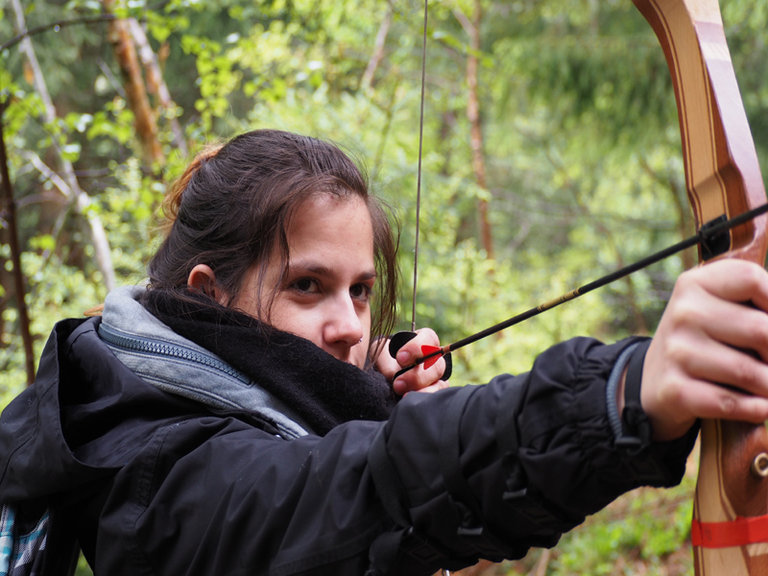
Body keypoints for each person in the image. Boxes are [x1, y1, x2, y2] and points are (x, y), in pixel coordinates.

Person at [2, 129, 768, 576]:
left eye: (361, 291)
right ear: (209, 295)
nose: (348, 326)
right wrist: (622, 394)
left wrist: (368, 401)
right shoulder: (155, 476)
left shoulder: (152, 387)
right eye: (308, 286)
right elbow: (358, 489)